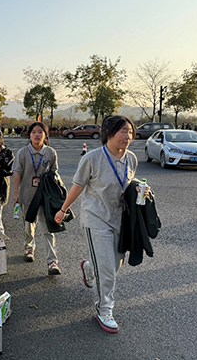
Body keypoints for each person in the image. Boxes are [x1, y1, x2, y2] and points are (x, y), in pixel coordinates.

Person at [54, 115, 138, 334]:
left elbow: (127, 186)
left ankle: (89, 268)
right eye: (123, 131)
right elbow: (77, 187)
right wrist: (63, 209)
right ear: (109, 133)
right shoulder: (92, 158)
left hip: (119, 219)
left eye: (130, 131)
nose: (128, 136)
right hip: (96, 218)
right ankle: (104, 310)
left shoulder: (131, 159)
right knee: (107, 269)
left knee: (115, 264)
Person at [12, 122, 61, 274]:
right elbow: (17, 173)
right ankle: (29, 248)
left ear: (45, 135)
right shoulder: (22, 152)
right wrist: (16, 193)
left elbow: (54, 173)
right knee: (29, 224)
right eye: (33, 132)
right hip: (27, 195)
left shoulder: (51, 152)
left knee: (48, 229)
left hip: (45, 197)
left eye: (40, 132)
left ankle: (52, 261)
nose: (37, 135)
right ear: (29, 135)